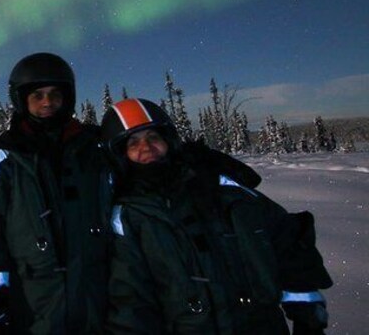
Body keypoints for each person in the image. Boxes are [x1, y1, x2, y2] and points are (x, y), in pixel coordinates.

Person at [101, 98, 332, 334]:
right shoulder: (127, 216)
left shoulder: (221, 186)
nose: (147, 147)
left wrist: (308, 317)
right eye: (133, 143)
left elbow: (287, 241)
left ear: (168, 140)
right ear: (121, 154)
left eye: (153, 137)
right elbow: (129, 298)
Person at [0, 52, 113, 334]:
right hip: (33, 303)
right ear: (22, 100)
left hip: (97, 299)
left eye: (55, 94)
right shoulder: (1, 158)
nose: (48, 102)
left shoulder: (95, 148)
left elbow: (141, 171)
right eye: (38, 95)